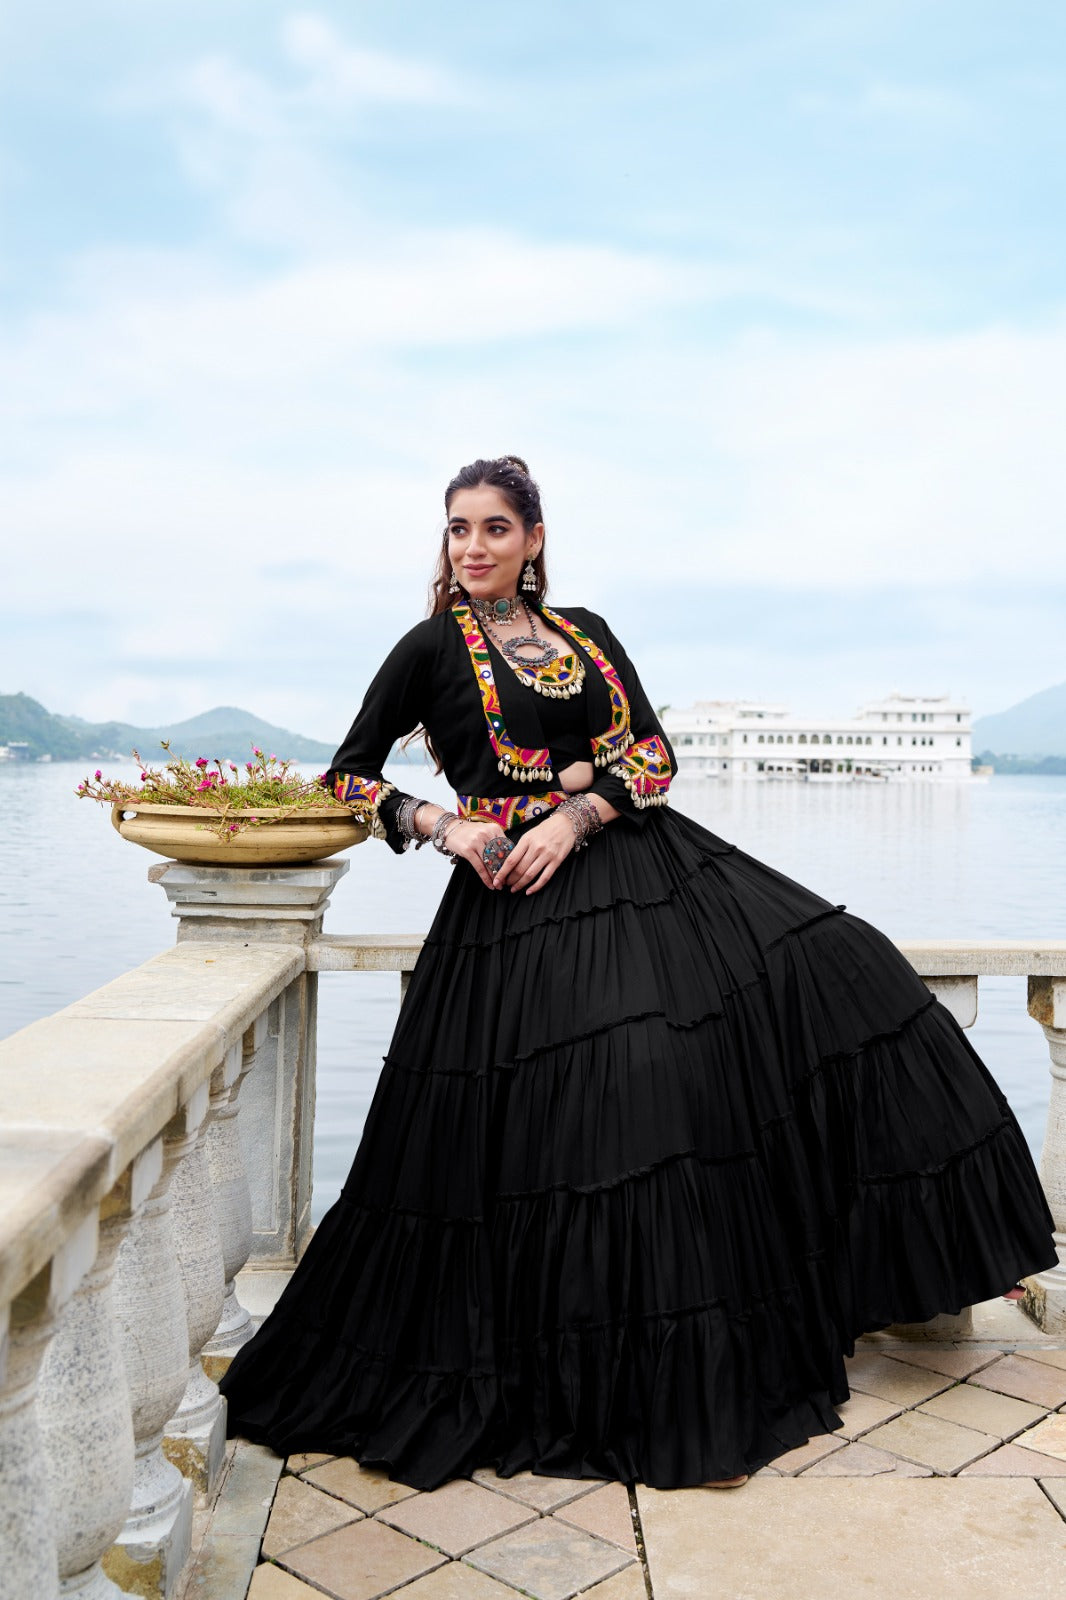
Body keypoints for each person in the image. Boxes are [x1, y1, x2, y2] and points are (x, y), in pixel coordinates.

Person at [220, 454, 1058, 1491]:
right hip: (513, 905)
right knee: (625, 1098)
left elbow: (652, 757)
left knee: (848, 969)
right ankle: (615, 1378)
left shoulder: (586, 632)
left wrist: (576, 810)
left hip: (642, 871)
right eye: (456, 529)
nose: (472, 547)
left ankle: (750, 1342)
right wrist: (446, 824)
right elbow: (348, 777)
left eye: (493, 528)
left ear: (532, 538)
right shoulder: (430, 646)